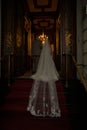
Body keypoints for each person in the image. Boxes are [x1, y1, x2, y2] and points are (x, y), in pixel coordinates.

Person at [27, 38, 61, 117]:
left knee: (38, 65)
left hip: (36, 54)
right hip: (39, 54)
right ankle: (52, 108)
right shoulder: (44, 46)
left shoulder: (35, 42)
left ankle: (37, 71)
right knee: (47, 65)